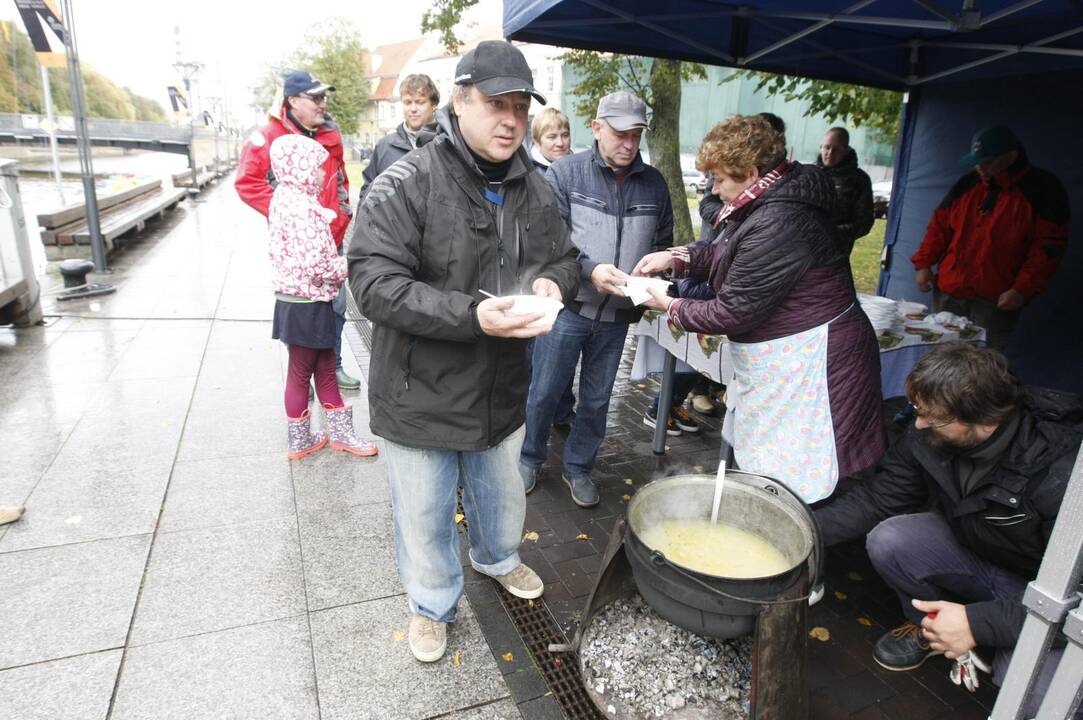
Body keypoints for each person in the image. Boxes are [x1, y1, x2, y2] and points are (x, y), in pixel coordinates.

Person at [349, 40, 579, 663]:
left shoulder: (535, 185)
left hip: (501, 389)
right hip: (418, 394)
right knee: (424, 515)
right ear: (460, 100)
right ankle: (431, 604)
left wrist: (556, 281)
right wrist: (472, 315)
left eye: (521, 107)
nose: (510, 119)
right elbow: (372, 282)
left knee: (501, 496)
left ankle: (498, 558)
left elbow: (562, 256)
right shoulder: (409, 180)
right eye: (495, 104)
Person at [814, 343, 1083, 713]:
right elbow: (877, 500)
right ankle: (935, 630)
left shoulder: (1063, 472)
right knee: (889, 539)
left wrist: (979, 623)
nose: (920, 424)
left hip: (1043, 595)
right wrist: (804, 533)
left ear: (984, 420)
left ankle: (966, 629)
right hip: (978, 551)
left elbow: (1076, 602)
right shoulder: (927, 434)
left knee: (1036, 695)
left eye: (932, 417)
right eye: (918, 411)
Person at [635, 114, 884, 503]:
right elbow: (728, 250)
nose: (713, 189)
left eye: (719, 179)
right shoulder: (771, 199)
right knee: (775, 467)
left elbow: (729, 312)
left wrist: (667, 302)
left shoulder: (781, 218)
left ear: (750, 173)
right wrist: (675, 258)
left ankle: (799, 539)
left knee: (803, 474)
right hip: (791, 356)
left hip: (815, 363)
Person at [519, 90, 674, 508]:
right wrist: (590, 270)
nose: (628, 144)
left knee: (597, 398)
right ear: (598, 128)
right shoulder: (567, 173)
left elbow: (664, 241)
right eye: (620, 133)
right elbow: (551, 241)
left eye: (636, 134)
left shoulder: (654, 184)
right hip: (568, 308)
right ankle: (530, 457)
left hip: (617, 316)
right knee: (545, 390)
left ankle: (579, 467)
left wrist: (654, 273)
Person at [235, 70, 360, 391]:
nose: (323, 103)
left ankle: (334, 367)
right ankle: (304, 378)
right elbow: (247, 183)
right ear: (292, 101)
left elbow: (341, 180)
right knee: (304, 317)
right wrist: (287, 212)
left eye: (324, 97)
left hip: (332, 240)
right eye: (315, 98)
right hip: (299, 249)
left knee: (337, 309)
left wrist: (343, 213)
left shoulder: (330, 133)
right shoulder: (268, 135)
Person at [911, 126, 1070, 351]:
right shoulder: (967, 184)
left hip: (996, 298)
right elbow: (939, 227)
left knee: (982, 365)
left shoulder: (1044, 190)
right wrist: (924, 263)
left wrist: (1022, 289)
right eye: (976, 161)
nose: (979, 167)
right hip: (950, 290)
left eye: (987, 162)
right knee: (940, 358)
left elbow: (1048, 249)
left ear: (1011, 156)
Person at [267, 135, 377, 460]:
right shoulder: (300, 208)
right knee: (305, 371)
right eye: (315, 169)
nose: (321, 174)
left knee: (322, 367)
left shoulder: (285, 198)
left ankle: (332, 436)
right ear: (299, 170)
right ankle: (305, 441)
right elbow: (317, 265)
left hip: (296, 301)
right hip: (309, 303)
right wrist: (351, 263)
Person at [527, 107, 576, 430]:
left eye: (564, 135)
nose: (559, 142)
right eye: (551, 136)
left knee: (564, 350)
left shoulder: (577, 169)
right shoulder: (530, 171)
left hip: (567, 270)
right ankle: (533, 410)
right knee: (536, 348)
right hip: (534, 269)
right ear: (537, 140)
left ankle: (562, 407)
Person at [360, 74, 439, 198]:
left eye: (420, 102)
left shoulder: (446, 143)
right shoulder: (384, 147)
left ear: (434, 104)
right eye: (407, 103)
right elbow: (367, 194)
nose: (413, 109)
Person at [816, 127, 874, 253]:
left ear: (846, 150)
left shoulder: (859, 180)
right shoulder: (810, 174)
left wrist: (832, 233)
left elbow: (864, 222)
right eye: (826, 147)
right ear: (821, 147)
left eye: (836, 149)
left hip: (836, 251)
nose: (830, 153)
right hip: (803, 248)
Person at [529, 107, 571, 172]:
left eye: (565, 135)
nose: (560, 143)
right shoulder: (527, 176)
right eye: (552, 137)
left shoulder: (581, 168)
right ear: (537, 142)